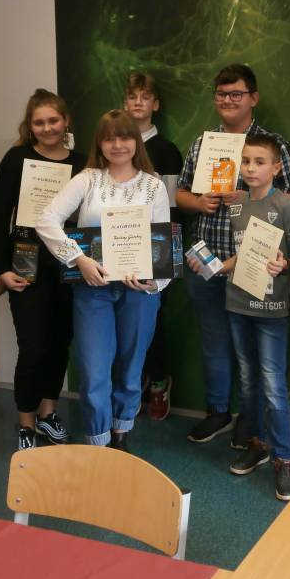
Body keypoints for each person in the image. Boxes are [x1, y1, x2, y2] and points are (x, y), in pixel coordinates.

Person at [177, 63, 290, 446]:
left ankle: (252, 425)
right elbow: (180, 193)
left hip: (254, 265)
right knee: (214, 341)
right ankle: (218, 412)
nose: (228, 100)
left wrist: (249, 198)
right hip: (206, 261)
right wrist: (199, 202)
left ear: (253, 98)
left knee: (254, 354)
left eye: (236, 94)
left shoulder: (271, 144)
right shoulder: (203, 143)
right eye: (221, 94)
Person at [36, 109, 170, 452]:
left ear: (135, 141)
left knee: (130, 367)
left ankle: (121, 434)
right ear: (100, 144)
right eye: (109, 139)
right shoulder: (87, 180)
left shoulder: (154, 186)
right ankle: (98, 442)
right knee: (94, 370)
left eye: (124, 137)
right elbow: (46, 220)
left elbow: (162, 245)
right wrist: (78, 259)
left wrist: (152, 282)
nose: (117, 145)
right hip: (92, 289)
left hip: (138, 294)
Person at [209, 135, 290, 501]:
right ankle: (259, 443)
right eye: (246, 161)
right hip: (237, 304)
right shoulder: (236, 205)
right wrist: (218, 266)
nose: (251, 168)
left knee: (272, 384)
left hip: (271, 311)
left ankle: (285, 459)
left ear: (276, 167)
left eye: (260, 162)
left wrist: (286, 266)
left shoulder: (284, 206)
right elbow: (244, 253)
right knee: (249, 381)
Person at [0, 89, 87, 450]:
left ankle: (48, 414)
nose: (47, 128)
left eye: (53, 120)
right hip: (25, 265)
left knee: (60, 343)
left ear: (66, 121)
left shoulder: (82, 163)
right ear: (30, 126)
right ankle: (26, 423)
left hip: (67, 266)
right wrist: (1, 269)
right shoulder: (17, 159)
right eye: (39, 122)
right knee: (32, 346)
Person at [124, 72, 183, 420]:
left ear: (155, 105)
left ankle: (159, 380)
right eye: (132, 96)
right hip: (121, 245)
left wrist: (167, 258)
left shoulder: (166, 151)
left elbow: (173, 206)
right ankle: (135, 381)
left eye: (145, 97)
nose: (138, 102)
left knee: (154, 317)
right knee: (125, 320)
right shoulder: (114, 147)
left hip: (157, 245)